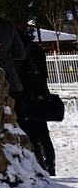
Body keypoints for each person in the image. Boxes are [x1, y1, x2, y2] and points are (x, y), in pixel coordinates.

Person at [17, 31, 57, 176]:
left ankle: (45, 165)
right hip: (33, 95)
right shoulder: (30, 48)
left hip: (34, 97)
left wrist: (21, 78)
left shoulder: (31, 49)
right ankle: (48, 165)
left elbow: (39, 74)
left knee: (37, 132)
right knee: (41, 132)